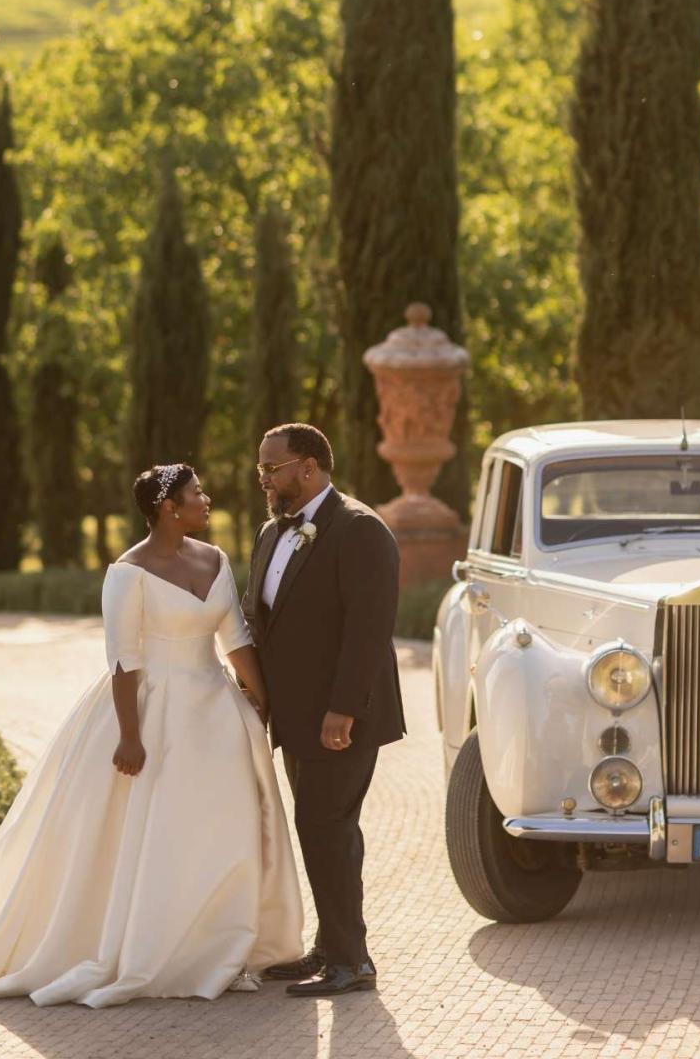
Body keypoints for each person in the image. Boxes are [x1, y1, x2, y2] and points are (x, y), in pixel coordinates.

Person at [0, 463, 304, 1006]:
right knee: (154, 831)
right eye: (196, 493)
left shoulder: (216, 558)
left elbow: (235, 638)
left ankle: (223, 938)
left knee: (226, 822)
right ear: (169, 507)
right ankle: (150, 943)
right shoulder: (127, 573)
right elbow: (124, 661)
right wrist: (130, 735)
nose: (206, 498)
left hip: (216, 712)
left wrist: (261, 697)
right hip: (149, 710)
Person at [243, 423, 405, 998]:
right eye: (262, 468)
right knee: (318, 828)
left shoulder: (360, 530)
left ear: (307, 467)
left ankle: (352, 960)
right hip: (296, 719)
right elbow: (261, 620)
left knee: (327, 827)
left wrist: (343, 710)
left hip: (342, 719)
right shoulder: (270, 533)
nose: (262, 477)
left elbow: (368, 630)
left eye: (271, 467)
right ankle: (331, 947)